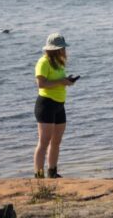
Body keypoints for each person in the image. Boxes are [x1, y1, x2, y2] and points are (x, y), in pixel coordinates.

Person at [33, 33, 77, 178]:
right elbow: (41, 84)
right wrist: (61, 82)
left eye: (63, 48)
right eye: (61, 48)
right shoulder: (43, 62)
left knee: (56, 141)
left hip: (59, 105)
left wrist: (67, 81)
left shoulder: (58, 62)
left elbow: (58, 81)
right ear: (53, 49)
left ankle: (52, 172)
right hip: (46, 105)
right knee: (44, 142)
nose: (63, 51)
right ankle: (39, 176)